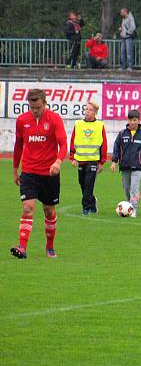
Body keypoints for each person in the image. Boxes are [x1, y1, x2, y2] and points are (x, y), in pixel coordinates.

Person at [10, 89, 67, 259]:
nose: (35, 110)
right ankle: (22, 247)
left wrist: (58, 161)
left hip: (49, 174)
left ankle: (49, 246)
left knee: (49, 211)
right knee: (28, 208)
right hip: (29, 172)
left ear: (45, 103)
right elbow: (18, 145)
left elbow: (63, 144)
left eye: (38, 107)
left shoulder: (54, 119)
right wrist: (15, 169)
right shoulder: (22, 121)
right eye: (32, 107)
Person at [110, 110, 141, 217]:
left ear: (139, 121)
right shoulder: (121, 134)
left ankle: (133, 210)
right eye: (130, 120)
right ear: (127, 120)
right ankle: (128, 206)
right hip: (124, 166)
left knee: (134, 189)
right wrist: (114, 161)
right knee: (126, 189)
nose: (132, 122)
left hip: (137, 167)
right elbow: (116, 148)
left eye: (135, 120)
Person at [69, 101, 108, 215]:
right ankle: (92, 201)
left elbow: (103, 144)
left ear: (95, 112)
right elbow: (73, 141)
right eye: (86, 109)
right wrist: (73, 157)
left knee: (89, 184)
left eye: (90, 110)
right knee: (82, 183)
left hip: (93, 160)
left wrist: (101, 162)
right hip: (80, 160)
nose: (87, 111)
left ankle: (85, 208)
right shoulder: (78, 124)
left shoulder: (100, 125)